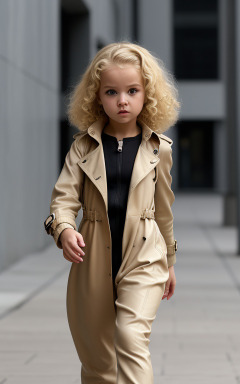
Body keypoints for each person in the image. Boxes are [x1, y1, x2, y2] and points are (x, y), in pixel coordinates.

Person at [43, 41, 180, 384]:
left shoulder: (159, 150)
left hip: (146, 257)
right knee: (98, 363)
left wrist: (170, 261)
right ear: (96, 96)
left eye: (132, 90)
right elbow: (63, 199)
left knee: (131, 338)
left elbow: (163, 210)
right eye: (111, 91)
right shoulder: (82, 147)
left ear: (146, 94)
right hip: (91, 260)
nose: (122, 100)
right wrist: (63, 230)